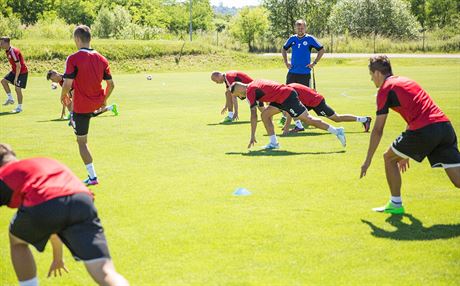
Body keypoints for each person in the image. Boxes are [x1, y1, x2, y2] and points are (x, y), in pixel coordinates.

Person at [0, 143, 129, 286]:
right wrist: (58, 258)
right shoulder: (45, 161)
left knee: (17, 241)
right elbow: (54, 225)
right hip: (82, 200)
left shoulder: (4, 174)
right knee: (104, 270)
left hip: (44, 203)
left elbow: (50, 211)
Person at [360, 55, 460, 214]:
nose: (372, 80)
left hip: (425, 130)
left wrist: (367, 161)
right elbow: (415, 111)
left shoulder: (384, 90)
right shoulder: (406, 81)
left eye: (371, 76)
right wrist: (406, 153)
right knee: (458, 180)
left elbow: (378, 129)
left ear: (377, 73)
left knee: (389, 158)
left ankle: (395, 204)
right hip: (445, 127)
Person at [62, 25, 115, 186]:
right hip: (96, 104)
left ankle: (93, 177)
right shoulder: (102, 58)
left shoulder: (73, 58)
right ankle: (76, 117)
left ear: (77, 39)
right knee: (80, 125)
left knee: (82, 142)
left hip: (81, 107)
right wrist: (104, 99)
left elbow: (67, 83)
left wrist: (62, 96)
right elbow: (111, 84)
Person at [230, 79, 346, 149]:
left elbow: (253, 116)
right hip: (280, 98)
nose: (240, 97)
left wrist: (252, 135)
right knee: (265, 115)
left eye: (237, 95)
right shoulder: (253, 83)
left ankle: (337, 131)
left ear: (239, 90)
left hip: (286, 97)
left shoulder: (250, 91)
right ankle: (274, 143)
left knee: (307, 119)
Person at [280, 19, 325, 132]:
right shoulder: (292, 39)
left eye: (302, 28)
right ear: (295, 28)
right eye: (298, 28)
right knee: (287, 96)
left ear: (305, 28)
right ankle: (290, 119)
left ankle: (303, 119)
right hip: (292, 73)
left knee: (302, 97)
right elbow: (284, 49)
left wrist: (314, 63)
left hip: (304, 74)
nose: (300, 29)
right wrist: (286, 62)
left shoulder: (309, 39)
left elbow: (321, 49)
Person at [280, 83, 372, 134]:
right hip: (310, 100)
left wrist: (286, 129)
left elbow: (290, 111)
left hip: (316, 102)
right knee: (295, 110)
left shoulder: (289, 91)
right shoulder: (289, 86)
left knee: (337, 118)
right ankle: (299, 126)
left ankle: (364, 119)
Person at [47, 70, 118, 120]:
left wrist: (74, 109)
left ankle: (111, 107)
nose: (52, 81)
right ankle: (72, 114)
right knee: (87, 113)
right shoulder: (61, 82)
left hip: (84, 96)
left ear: (55, 75)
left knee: (91, 114)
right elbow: (65, 96)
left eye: (52, 79)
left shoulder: (67, 78)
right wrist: (63, 112)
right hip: (79, 98)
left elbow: (73, 93)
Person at [0, 37, 28, 113]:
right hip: (15, 71)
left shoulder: (13, 51)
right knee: (3, 81)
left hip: (22, 72)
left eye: (1, 43)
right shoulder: (7, 50)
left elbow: (19, 66)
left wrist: (16, 78)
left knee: (17, 89)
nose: (0, 45)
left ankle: (19, 107)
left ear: (7, 43)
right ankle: (10, 98)